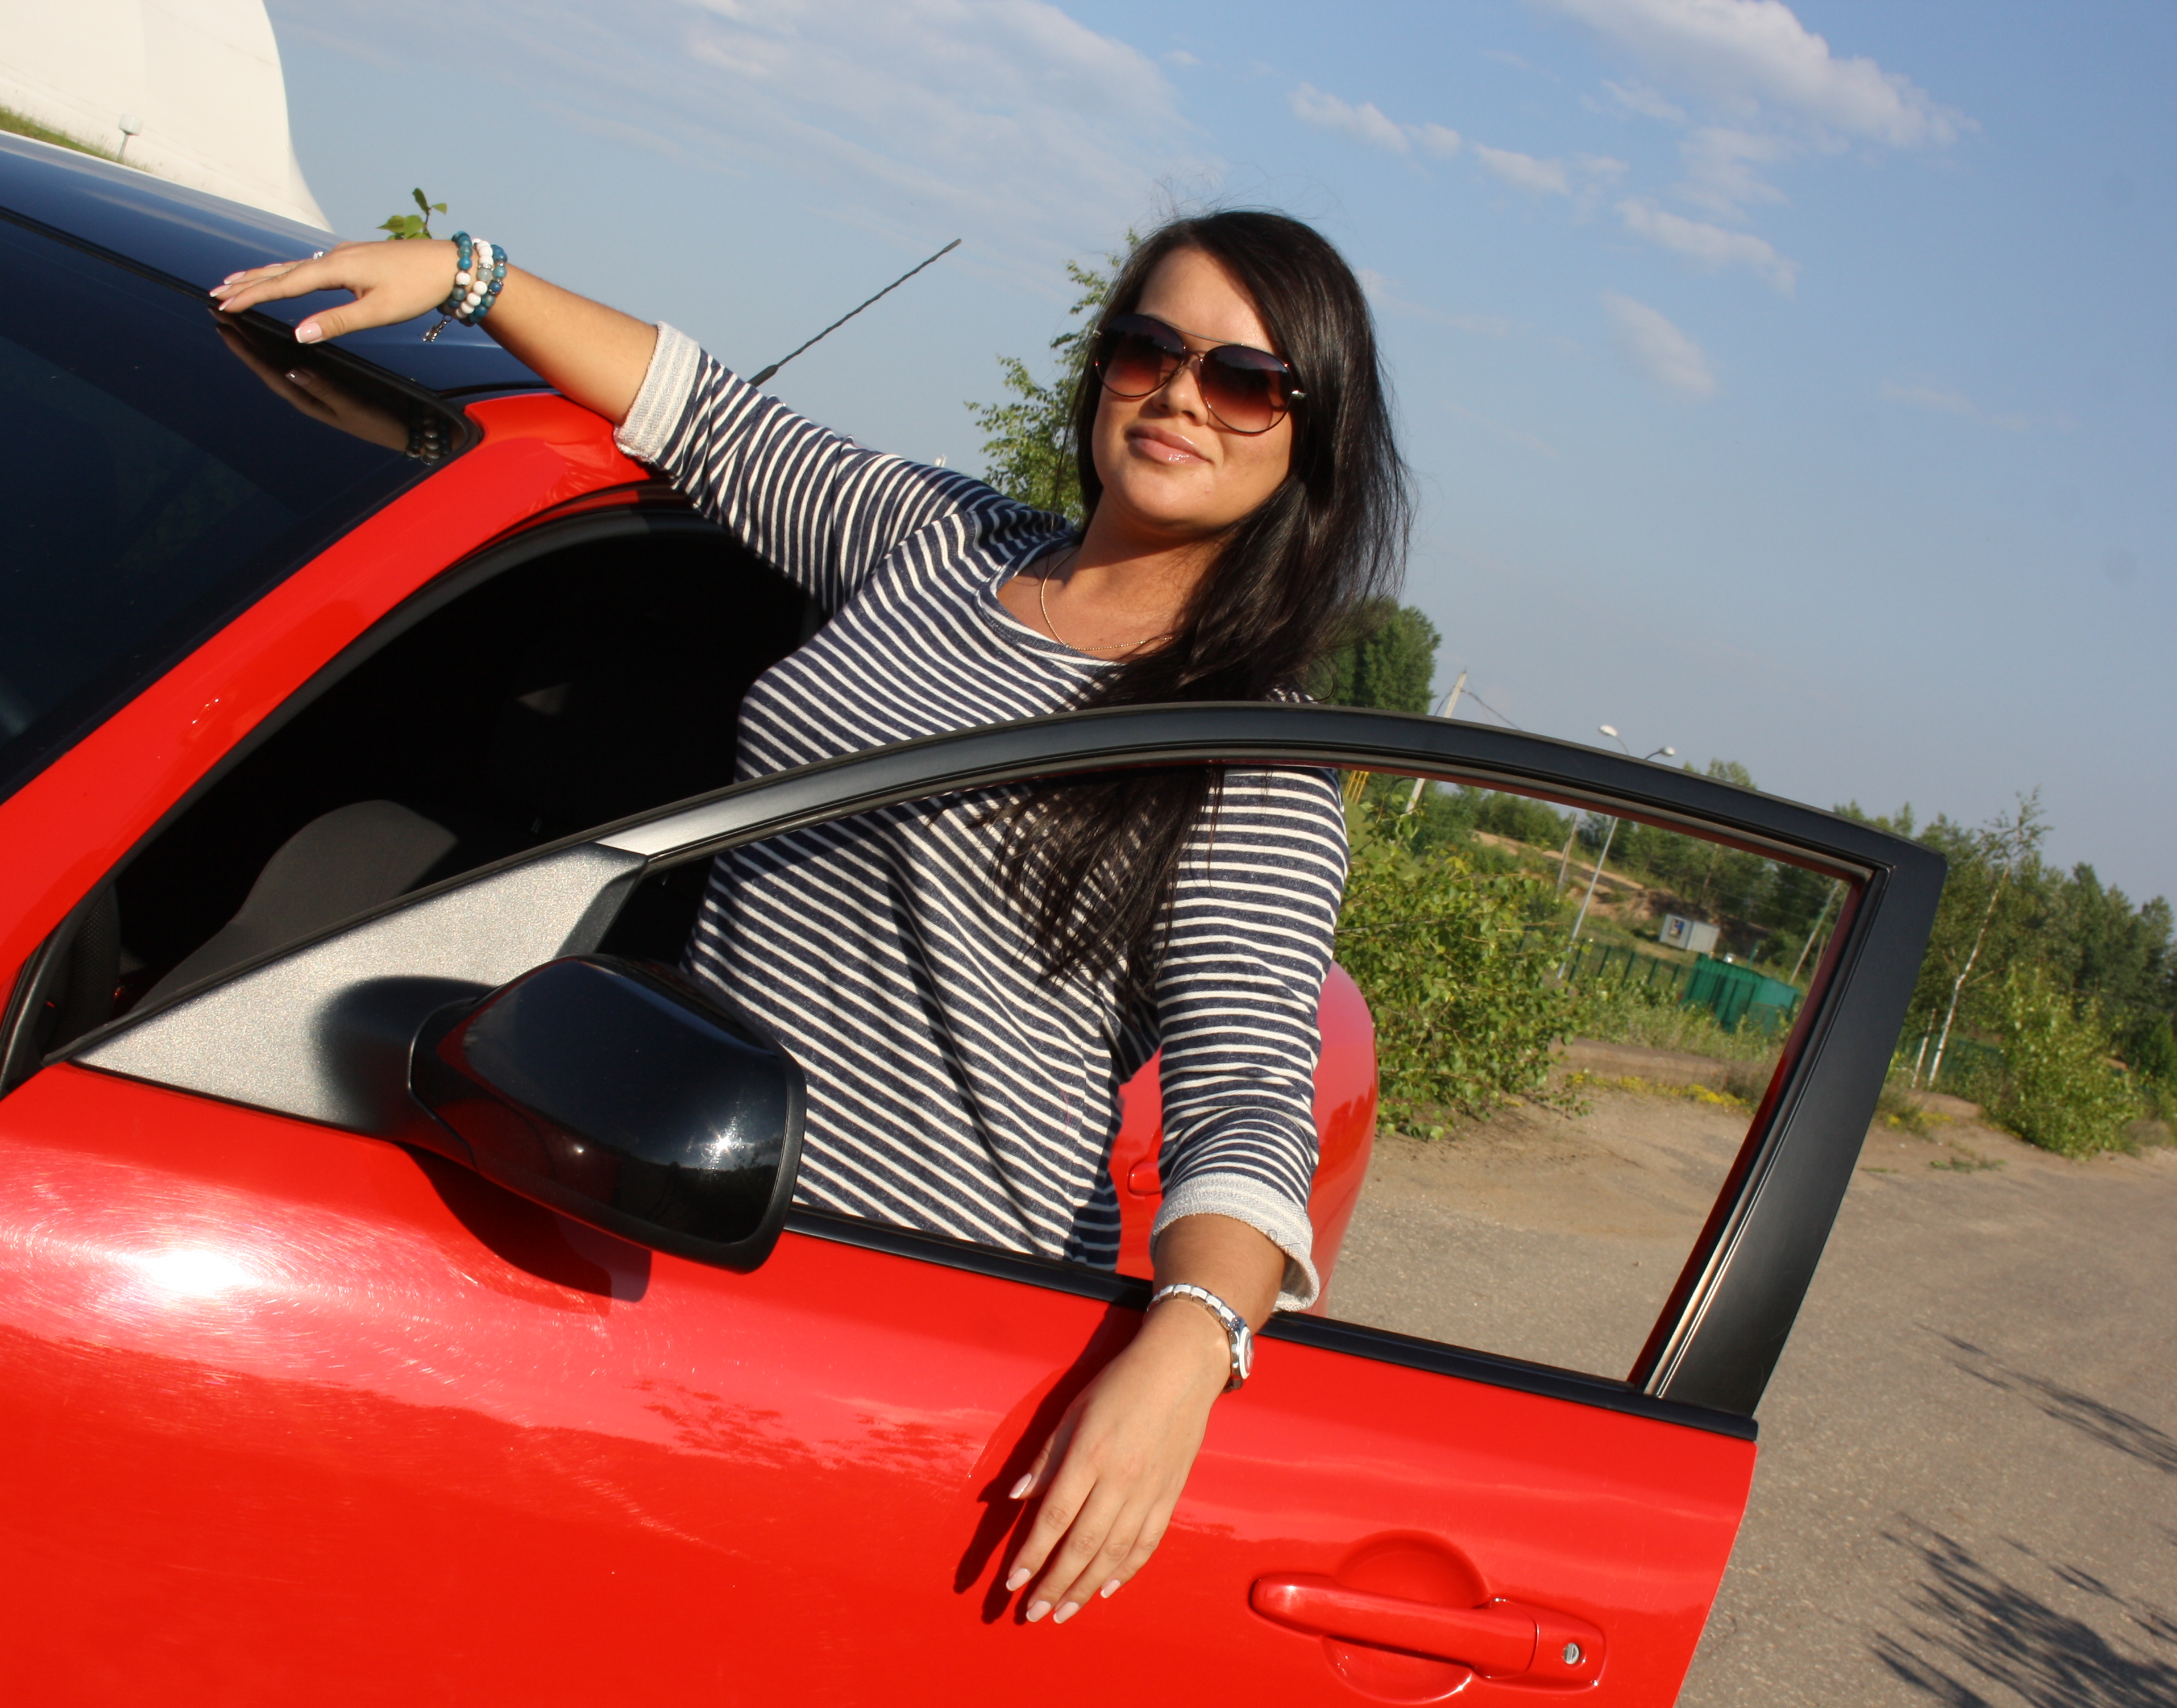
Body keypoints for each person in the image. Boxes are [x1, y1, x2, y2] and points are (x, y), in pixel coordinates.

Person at [212, 210, 1409, 1626]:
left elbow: (1249, 1091)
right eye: (1150, 350)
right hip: (667, 1217)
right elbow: (707, 419)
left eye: (1247, 380)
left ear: (1311, 438)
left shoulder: (1247, 753)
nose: (1182, 398)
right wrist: (473, 278)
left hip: (910, 1328)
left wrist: (1188, 1347)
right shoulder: (946, 542)